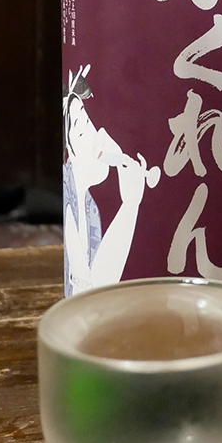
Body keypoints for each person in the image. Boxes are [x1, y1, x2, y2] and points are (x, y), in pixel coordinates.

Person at [62, 67, 159, 294]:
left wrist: (131, 203)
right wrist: (130, 205)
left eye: (88, 122)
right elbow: (91, 292)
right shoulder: (69, 202)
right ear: (69, 149)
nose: (96, 136)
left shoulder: (89, 209)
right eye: (81, 131)